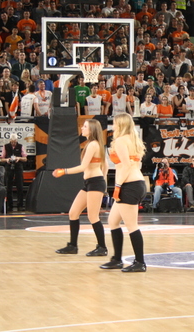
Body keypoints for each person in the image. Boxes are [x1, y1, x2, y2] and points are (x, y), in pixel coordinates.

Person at [53, 119, 109, 257]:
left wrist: (63, 171)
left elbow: (83, 167)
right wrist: (104, 181)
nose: (82, 128)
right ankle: (73, 246)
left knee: (93, 216)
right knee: (73, 213)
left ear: (92, 130)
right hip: (91, 182)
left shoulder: (93, 145)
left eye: (85, 126)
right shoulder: (95, 144)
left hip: (95, 183)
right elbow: (106, 166)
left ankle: (102, 247)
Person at [100, 113, 148, 272]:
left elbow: (126, 165)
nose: (113, 125)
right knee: (113, 221)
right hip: (137, 182)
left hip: (129, 185)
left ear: (120, 124)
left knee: (131, 225)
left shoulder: (121, 140)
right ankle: (116, 259)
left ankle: (140, 262)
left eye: (114, 123)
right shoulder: (134, 140)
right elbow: (136, 164)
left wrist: (118, 186)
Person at [1, 134, 28, 211]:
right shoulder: (5, 146)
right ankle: (10, 205)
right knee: (8, 186)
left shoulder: (20, 146)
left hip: (18, 167)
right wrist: (7, 160)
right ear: (10, 140)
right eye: (12, 142)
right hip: (9, 167)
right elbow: (1, 159)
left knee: (20, 186)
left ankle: (20, 205)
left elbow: (25, 158)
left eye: (15, 142)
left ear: (17, 140)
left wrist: (19, 158)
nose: (13, 143)